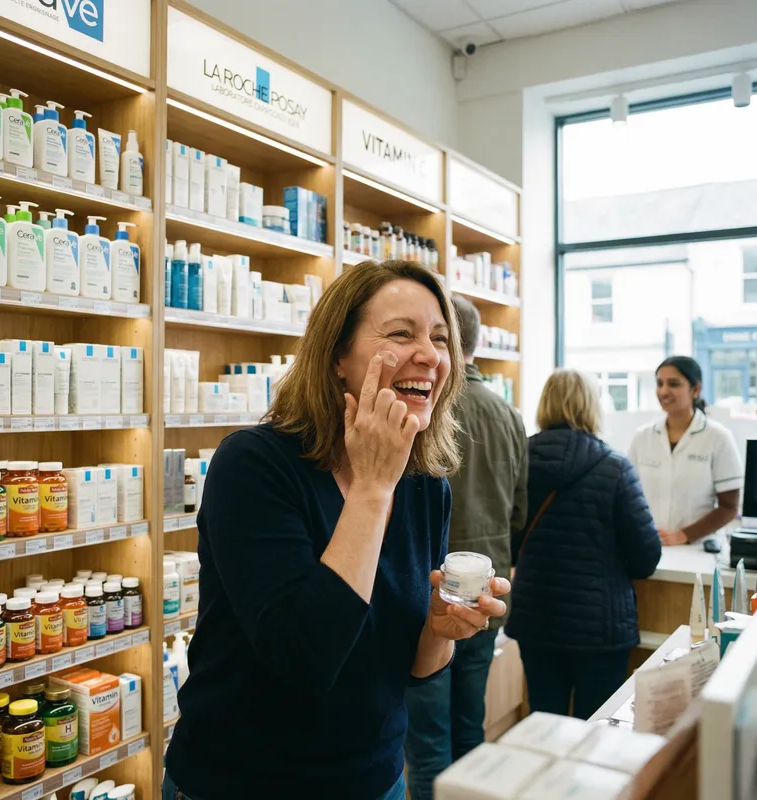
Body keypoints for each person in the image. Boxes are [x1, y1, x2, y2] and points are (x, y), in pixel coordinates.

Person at [163, 260, 511, 800]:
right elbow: (304, 659)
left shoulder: (424, 486)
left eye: (441, 338)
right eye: (402, 333)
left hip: (376, 781)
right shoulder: (253, 466)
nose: (430, 354)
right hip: (241, 784)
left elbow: (413, 669)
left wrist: (439, 630)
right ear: (336, 359)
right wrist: (372, 488)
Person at [404, 294, 528, 800]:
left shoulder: (426, 406)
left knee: (428, 740)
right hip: (486, 592)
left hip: (429, 593)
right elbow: (519, 510)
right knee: (470, 726)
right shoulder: (508, 413)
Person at [505, 369, 661, 720]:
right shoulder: (616, 468)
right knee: (596, 729)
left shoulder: (518, 461)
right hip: (599, 627)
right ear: (592, 406)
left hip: (537, 620)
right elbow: (645, 558)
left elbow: (507, 544)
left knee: (545, 724)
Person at [629, 356, 743, 546]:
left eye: (673, 384)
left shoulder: (718, 437)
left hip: (697, 547)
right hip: (650, 544)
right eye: (659, 383)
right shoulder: (642, 437)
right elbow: (629, 496)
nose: (664, 391)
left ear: (695, 389)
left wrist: (684, 535)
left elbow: (729, 507)